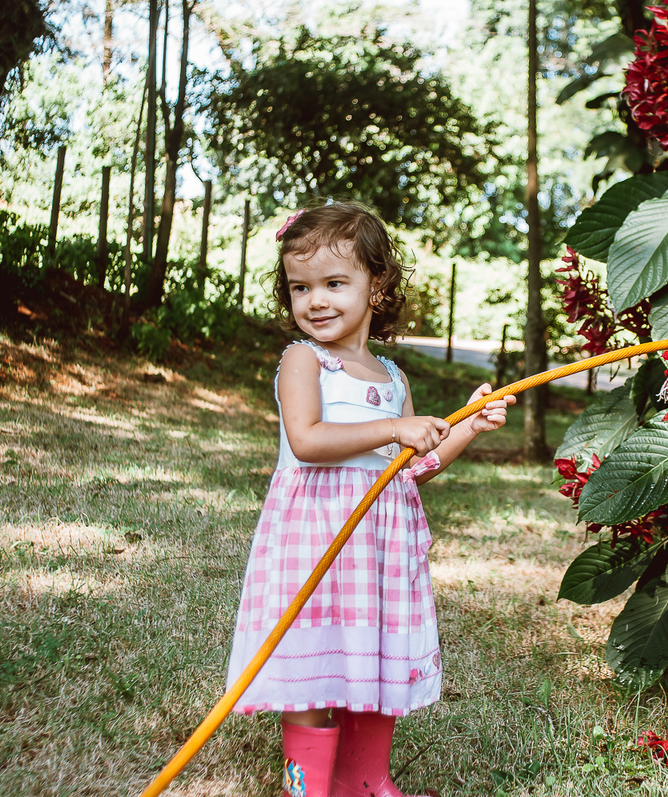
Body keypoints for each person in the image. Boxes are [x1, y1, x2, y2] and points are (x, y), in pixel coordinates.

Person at [225, 202, 515, 797]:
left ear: (376, 285)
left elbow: (411, 468)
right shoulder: (304, 360)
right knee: (313, 662)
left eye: (334, 283)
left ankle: (364, 781)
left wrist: (467, 425)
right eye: (301, 287)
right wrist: (393, 428)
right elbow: (307, 441)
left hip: (376, 551)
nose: (316, 301)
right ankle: (308, 787)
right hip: (318, 540)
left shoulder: (391, 376)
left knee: (370, 662)